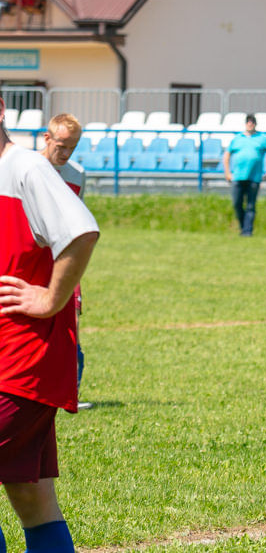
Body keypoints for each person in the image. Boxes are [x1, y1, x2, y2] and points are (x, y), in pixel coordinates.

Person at [0, 94, 100, 553]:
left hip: (20, 361)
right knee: (31, 495)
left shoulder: (27, 168)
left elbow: (79, 231)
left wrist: (50, 298)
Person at [41, 113, 93, 411]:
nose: (64, 153)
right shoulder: (25, 167)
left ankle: (68, 393)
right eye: (60, 145)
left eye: (71, 147)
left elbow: (77, 224)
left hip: (63, 261)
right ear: (47, 138)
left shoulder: (77, 174)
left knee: (70, 326)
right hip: (31, 261)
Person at [223, 114, 266, 236]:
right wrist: (227, 172)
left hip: (254, 177)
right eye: (248, 121)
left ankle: (247, 231)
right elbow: (227, 155)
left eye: (252, 121)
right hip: (238, 176)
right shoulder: (237, 138)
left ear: (255, 124)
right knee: (237, 203)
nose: (250, 124)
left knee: (250, 205)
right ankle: (243, 226)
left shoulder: (262, 138)